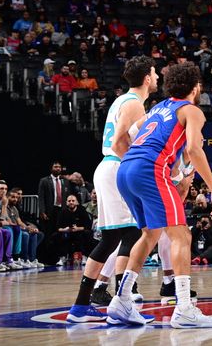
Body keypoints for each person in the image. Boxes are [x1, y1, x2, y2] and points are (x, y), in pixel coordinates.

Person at [106, 62, 212, 328]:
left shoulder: (157, 108)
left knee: (150, 234)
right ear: (195, 88)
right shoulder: (191, 110)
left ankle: (122, 300)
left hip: (125, 170)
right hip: (149, 171)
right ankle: (184, 308)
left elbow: (123, 139)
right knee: (181, 234)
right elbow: (194, 149)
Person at [67, 56, 159, 323]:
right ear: (146, 78)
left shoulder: (124, 100)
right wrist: (136, 169)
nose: (157, 77)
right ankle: (123, 303)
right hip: (117, 167)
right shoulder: (133, 104)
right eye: (154, 73)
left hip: (109, 167)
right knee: (133, 233)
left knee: (110, 239)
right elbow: (120, 142)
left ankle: (81, 306)